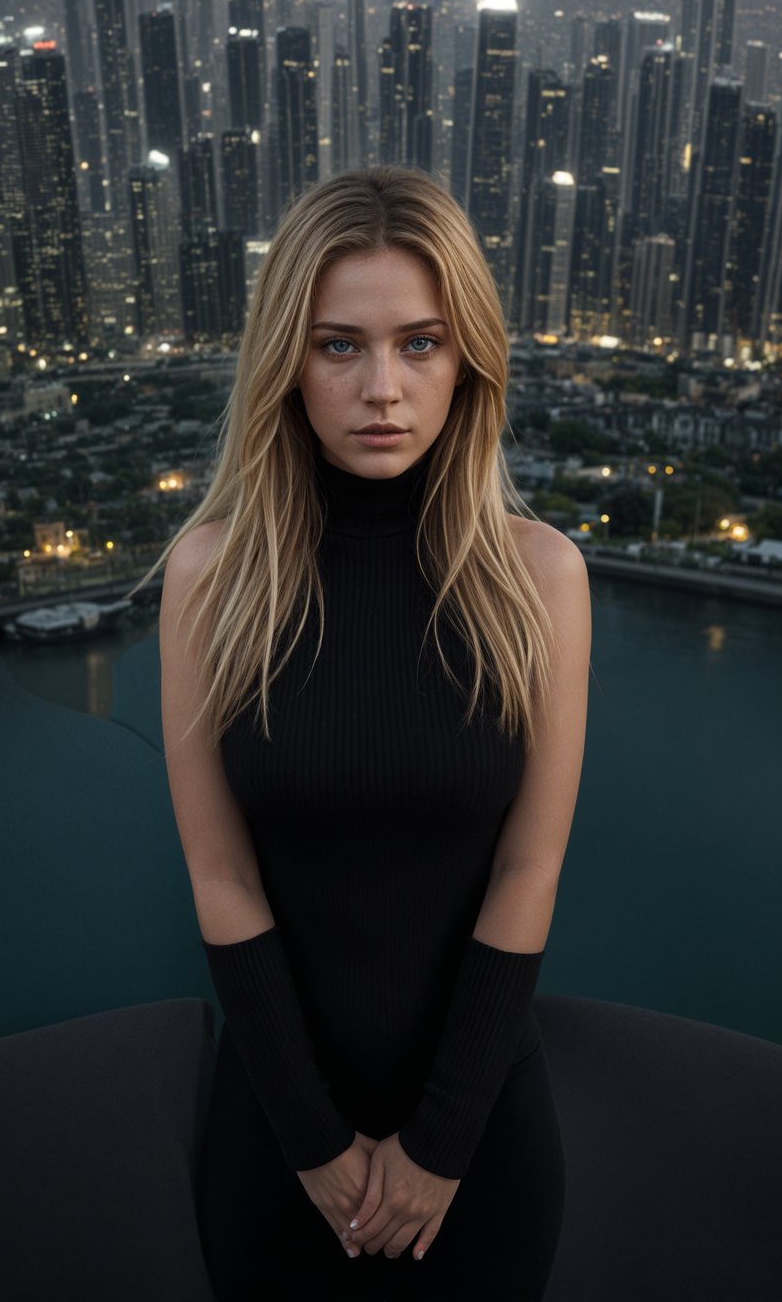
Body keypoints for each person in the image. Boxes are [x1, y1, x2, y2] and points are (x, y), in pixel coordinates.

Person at [148, 164, 590, 1299]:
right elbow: (221, 871)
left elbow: (529, 867)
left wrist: (439, 1148)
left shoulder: (540, 578)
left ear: (469, 360)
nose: (382, 388)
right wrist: (313, 1144)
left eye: (421, 343)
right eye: (339, 344)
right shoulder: (211, 577)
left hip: (479, 1140)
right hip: (280, 1141)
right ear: (286, 364)